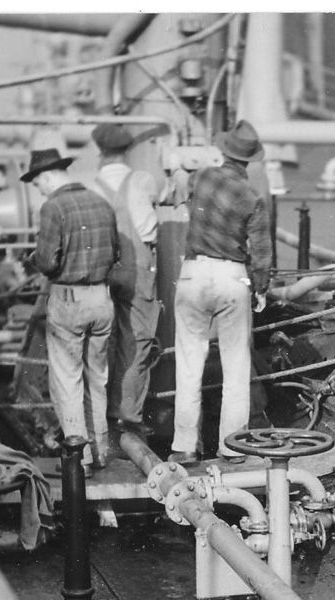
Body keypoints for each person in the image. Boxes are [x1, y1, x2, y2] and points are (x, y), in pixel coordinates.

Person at [170, 120, 272, 466]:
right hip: (232, 277)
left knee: (188, 364)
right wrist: (260, 289)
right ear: (249, 161)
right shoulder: (252, 198)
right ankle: (231, 447)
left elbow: (180, 187)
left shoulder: (201, 178)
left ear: (224, 151)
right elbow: (260, 252)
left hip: (194, 273)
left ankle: (184, 446)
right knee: (236, 366)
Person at [24, 147, 119, 474]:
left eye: (38, 185)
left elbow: (48, 260)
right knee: (97, 379)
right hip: (102, 299)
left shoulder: (54, 207)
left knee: (67, 381)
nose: (39, 191)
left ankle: (81, 460)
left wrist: (32, 261)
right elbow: (116, 253)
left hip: (69, 301)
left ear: (47, 177)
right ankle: (101, 451)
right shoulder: (102, 202)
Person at [90, 124, 162, 442]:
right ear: (127, 151)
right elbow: (149, 230)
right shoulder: (141, 181)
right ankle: (128, 418)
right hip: (137, 269)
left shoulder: (91, 187)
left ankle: (99, 416)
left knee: (102, 342)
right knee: (137, 342)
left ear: (100, 153)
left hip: (101, 271)